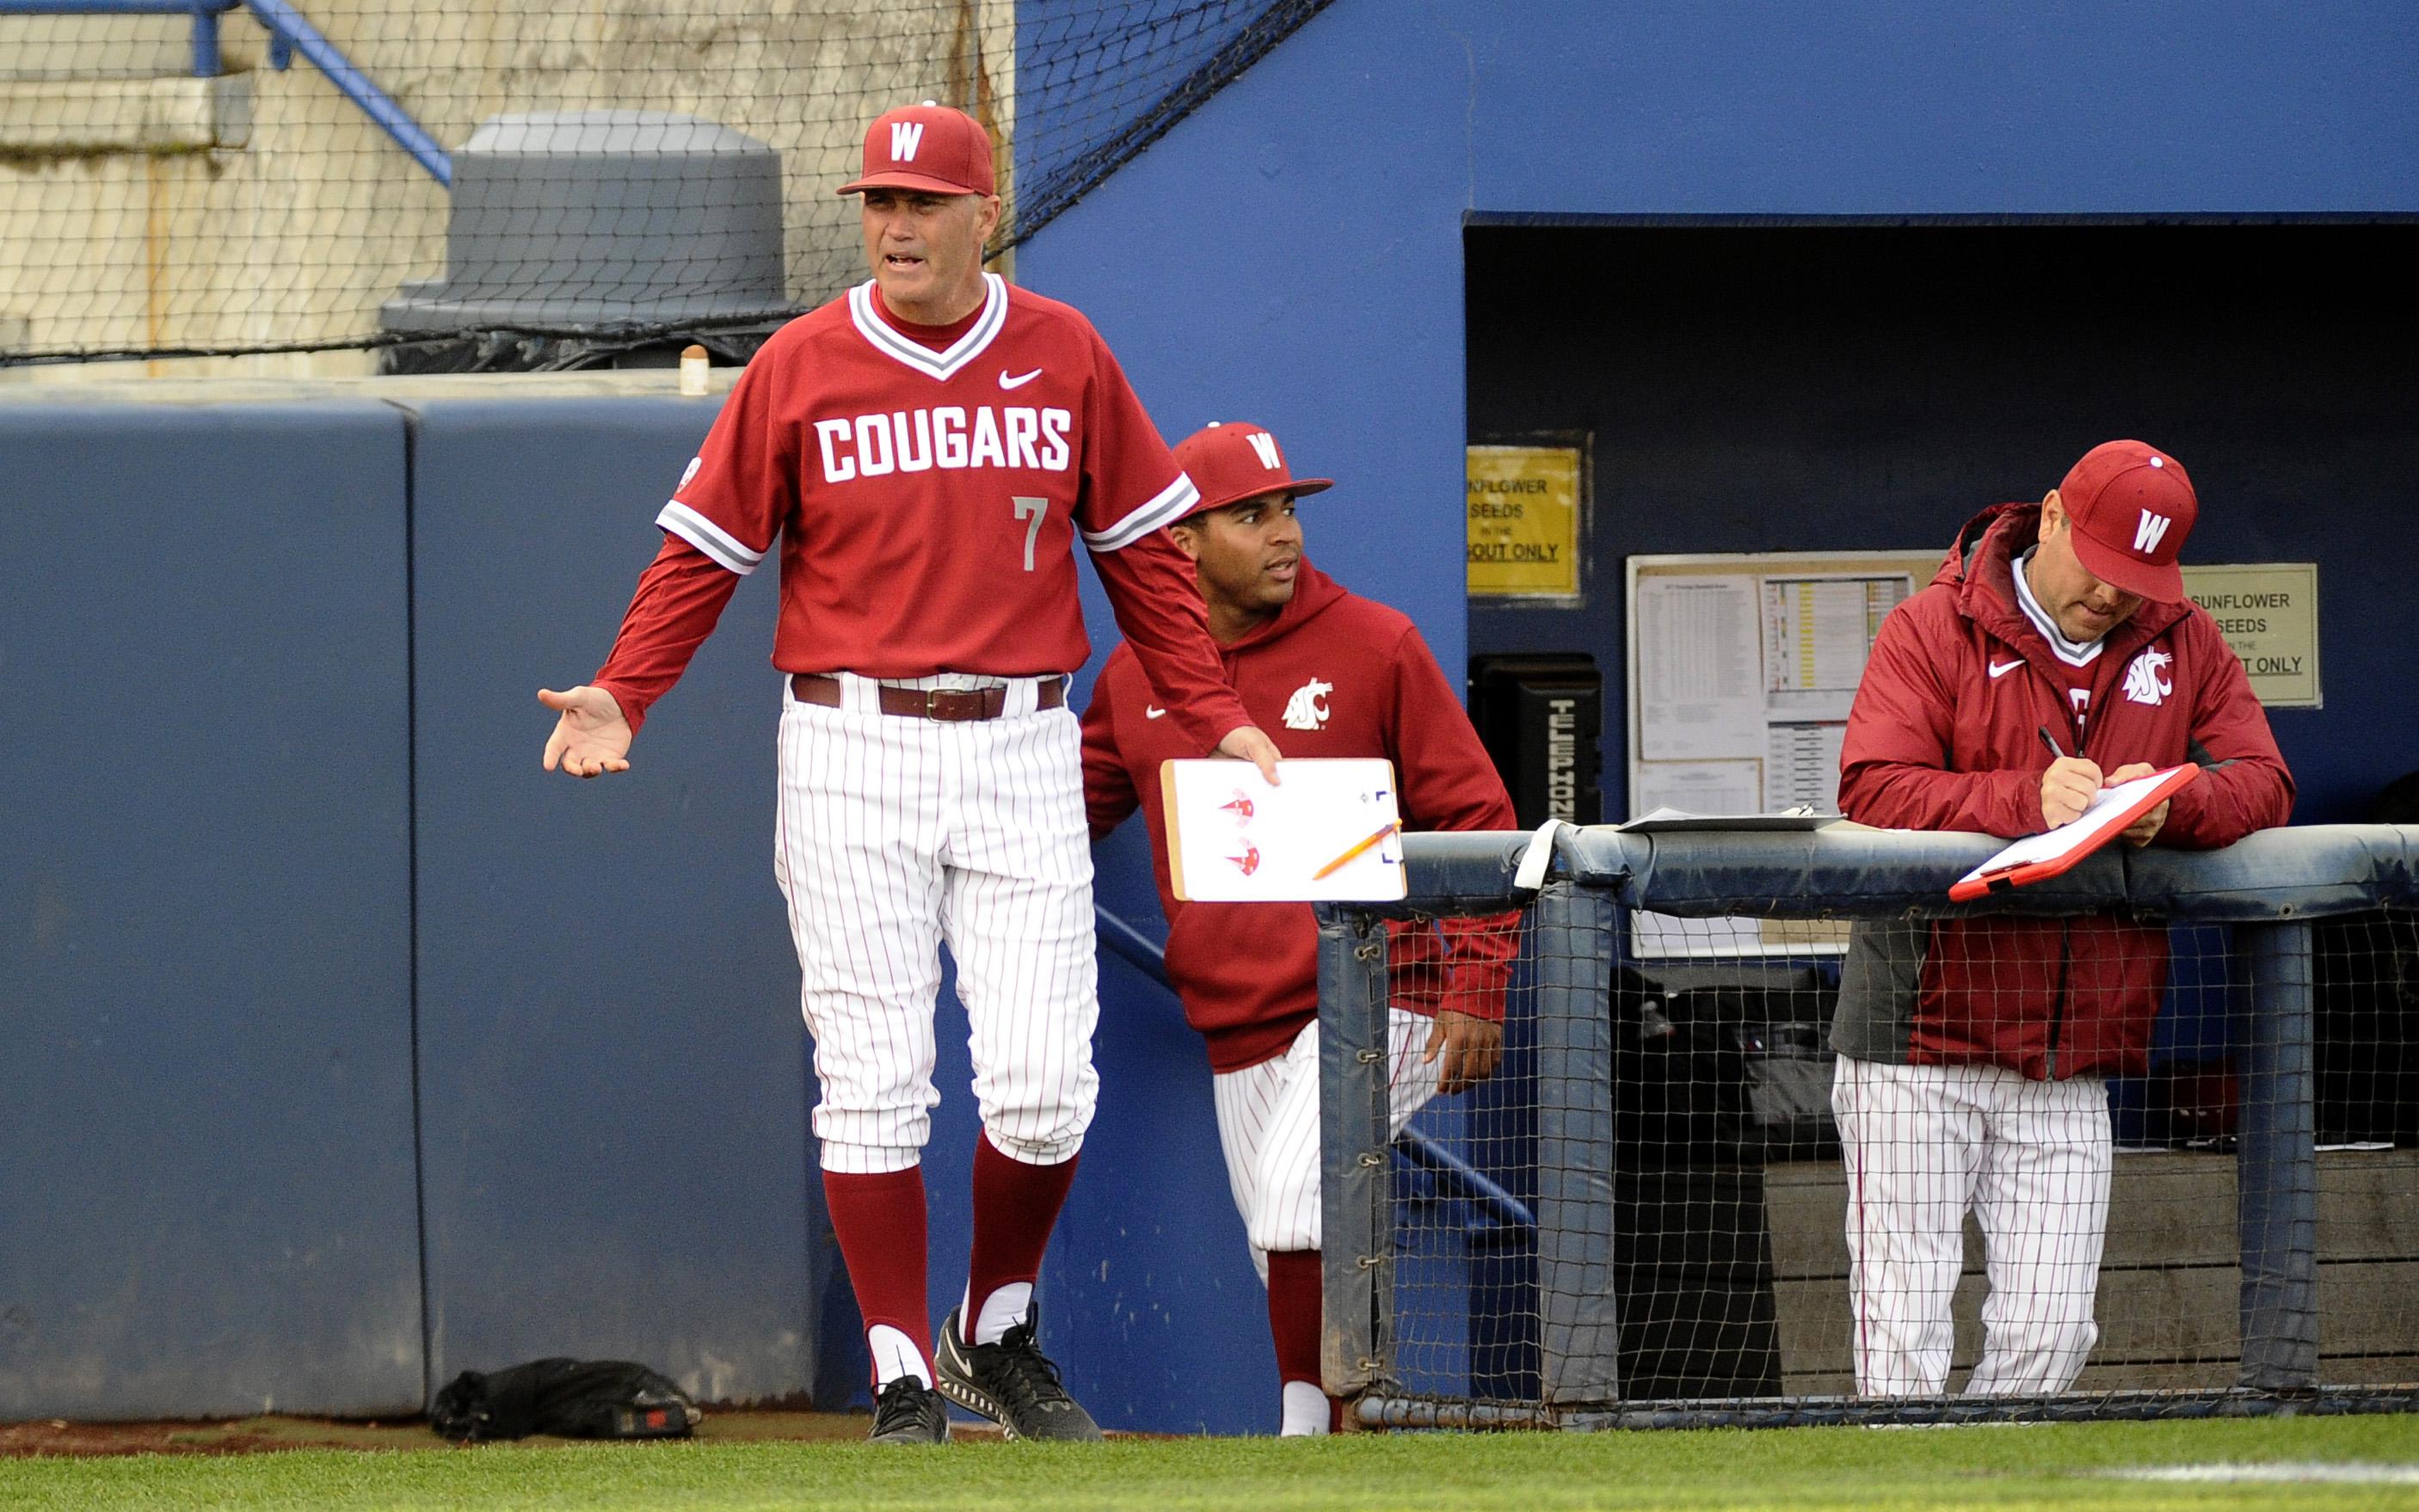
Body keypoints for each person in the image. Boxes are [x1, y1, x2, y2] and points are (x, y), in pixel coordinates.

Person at [536, 103, 1282, 1445]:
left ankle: (992, 1327)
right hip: (849, 735)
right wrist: (625, 687)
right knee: (874, 1074)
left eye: (924, 201)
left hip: (1021, 735)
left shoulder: (1065, 353)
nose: (895, 223)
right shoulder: (804, 362)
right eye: (877, 199)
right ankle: (898, 1369)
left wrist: (1214, 710)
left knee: (1049, 1081)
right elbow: (707, 547)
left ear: (983, 215)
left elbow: (1147, 559)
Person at [1080, 421, 1518, 1435]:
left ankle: (1302, 1445)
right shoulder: (1140, 675)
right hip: (1240, 1019)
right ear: (1180, 541)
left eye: (1288, 510)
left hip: (1383, 996)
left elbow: (1481, 825)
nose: (1285, 534)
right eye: (1252, 514)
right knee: (1288, 1243)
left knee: (1293, 1193)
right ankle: (1352, 1438)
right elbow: (1064, 812)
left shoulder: (1375, 644)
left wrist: (1476, 985)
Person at [1829, 439, 2293, 1396]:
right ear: (2050, 517)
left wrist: (2176, 806)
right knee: (1903, 1322)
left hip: (2075, 1040)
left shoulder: (2183, 637)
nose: (2116, 594)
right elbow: (1871, 786)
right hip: (1921, 1030)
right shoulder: (1932, 626)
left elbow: (2264, 780)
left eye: (2139, 575)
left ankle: (2002, 1492)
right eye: (2104, 565)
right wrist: (2017, 799)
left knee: (2051, 1331)